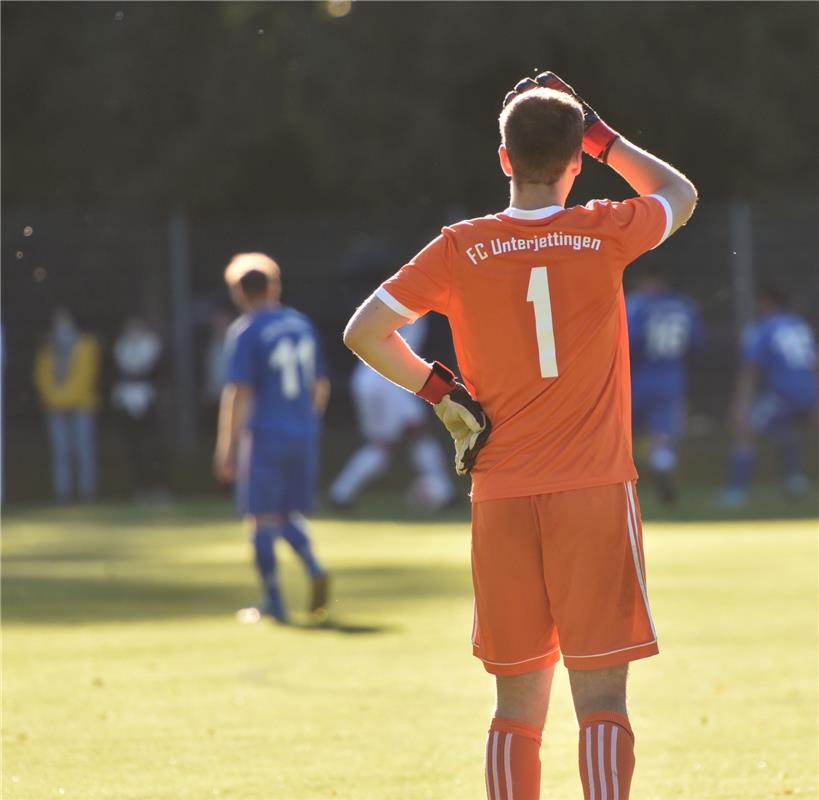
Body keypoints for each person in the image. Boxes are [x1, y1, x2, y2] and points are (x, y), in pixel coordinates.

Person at [343, 72, 697, 800]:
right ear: (575, 160)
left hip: (500, 494)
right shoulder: (603, 229)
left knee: (514, 712)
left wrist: (441, 393)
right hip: (593, 494)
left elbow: (363, 332)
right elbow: (680, 194)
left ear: (501, 158)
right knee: (601, 703)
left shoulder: (460, 247)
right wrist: (603, 137)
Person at [213, 253, 331, 624]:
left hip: (265, 435)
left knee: (260, 518)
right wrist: (307, 424)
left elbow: (239, 393)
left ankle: (274, 602)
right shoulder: (301, 324)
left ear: (238, 292)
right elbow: (320, 385)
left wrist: (227, 448)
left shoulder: (246, 331)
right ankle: (313, 568)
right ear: (274, 286)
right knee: (285, 513)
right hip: (302, 432)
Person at [329, 314, 455, 510]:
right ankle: (445, 492)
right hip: (386, 379)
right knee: (409, 436)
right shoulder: (413, 300)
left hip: (371, 378)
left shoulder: (394, 297)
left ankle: (341, 494)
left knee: (397, 440)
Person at [719, 285, 817, 506]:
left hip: (783, 393)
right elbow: (813, 364)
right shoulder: (799, 325)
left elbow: (750, 369)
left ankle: (736, 492)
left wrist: (740, 405)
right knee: (785, 430)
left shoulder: (762, 328)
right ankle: (794, 482)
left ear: (766, 302)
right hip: (807, 391)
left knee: (746, 432)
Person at [626, 267, 703, 504]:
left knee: (625, 433)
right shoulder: (685, 306)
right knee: (663, 434)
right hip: (671, 377)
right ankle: (662, 462)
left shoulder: (636, 304)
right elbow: (696, 343)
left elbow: (626, 340)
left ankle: (624, 482)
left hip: (637, 377)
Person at [34, 307, 100, 503]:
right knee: (61, 452)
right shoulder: (47, 348)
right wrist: (56, 400)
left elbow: (86, 376)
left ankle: (87, 493)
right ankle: (63, 494)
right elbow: (42, 378)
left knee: (84, 450)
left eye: (65, 321)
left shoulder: (87, 344)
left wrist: (67, 399)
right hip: (55, 407)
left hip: (82, 406)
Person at [111, 316, 165, 499]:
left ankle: (157, 485)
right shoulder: (121, 347)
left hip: (146, 399)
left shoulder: (151, 345)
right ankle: (140, 487)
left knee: (151, 446)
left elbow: (150, 370)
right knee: (133, 447)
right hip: (127, 401)